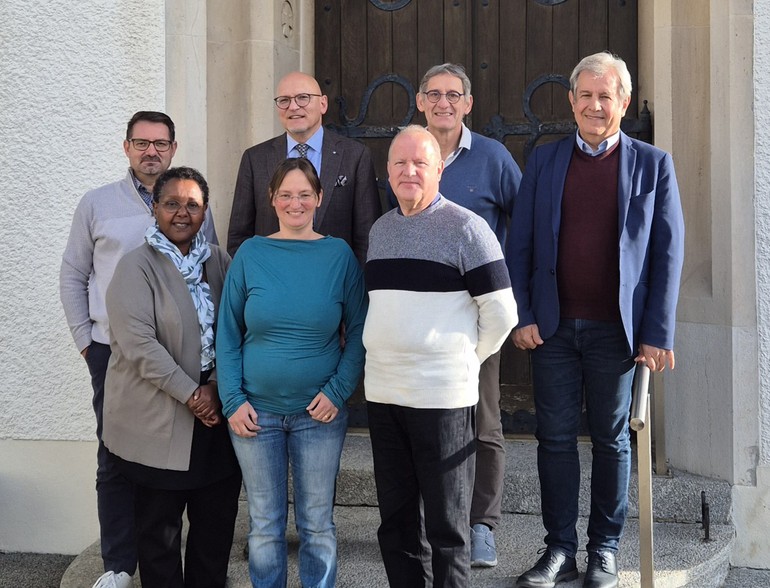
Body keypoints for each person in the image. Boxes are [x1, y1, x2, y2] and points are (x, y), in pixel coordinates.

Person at [508, 52, 685, 588]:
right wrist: (524, 313)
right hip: (554, 328)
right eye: (584, 95)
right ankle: (558, 549)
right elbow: (520, 244)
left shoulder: (653, 164)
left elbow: (667, 253)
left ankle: (604, 548)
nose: (593, 105)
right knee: (554, 439)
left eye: (604, 96)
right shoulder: (544, 160)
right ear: (570, 101)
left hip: (619, 332)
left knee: (611, 441)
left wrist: (657, 333)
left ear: (624, 103)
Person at [59, 111, 218, 588]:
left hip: (186, 360)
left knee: (169, 459)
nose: (152, 151)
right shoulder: (98, 204)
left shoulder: (188, 199)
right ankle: (119, 565)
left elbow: (207, 276)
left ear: (173, 147)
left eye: (161, 143)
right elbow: (73, 274)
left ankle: (160, 552)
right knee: (116, 457)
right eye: (142, 143)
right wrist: (88, 343)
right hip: (115, 352)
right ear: (126, 147)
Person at [364, 125, 518, 587]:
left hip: (443, 399)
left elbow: (502, 314)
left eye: (420, 163)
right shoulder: (381, 230)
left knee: (449, 529)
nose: (409, 171)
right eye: (399, 163)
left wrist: (464, 358)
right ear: (388, 172)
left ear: (438, 171)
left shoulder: (468, 228)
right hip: (385, 394)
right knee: (396, 524)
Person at [217, 158, 367, 588]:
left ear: (319, 199)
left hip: (318, 414)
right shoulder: (250, 254)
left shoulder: (338, 255)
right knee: (264, 525)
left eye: (304, 194)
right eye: (286, 194)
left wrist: (338, 391)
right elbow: (227, 333)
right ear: (272, 200)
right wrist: (232, 400)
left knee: (317, 523)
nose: (295, 203)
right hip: (254, 415)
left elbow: (358, 330)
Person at [102, 167, 240, 588]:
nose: (183, 213)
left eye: (193, 205)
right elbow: (139, 345)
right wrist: (192, 394)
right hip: (158, 420)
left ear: (205, 211)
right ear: (155, 208)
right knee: (159, 539)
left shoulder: (220, 260)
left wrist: (215, 387)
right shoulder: (134, 266)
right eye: (172, 203)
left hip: (215, 418)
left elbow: (238, 328)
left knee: (214, 533)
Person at [408, 62, 522, 567]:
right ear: (419, 101)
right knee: (418, 423)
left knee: (484, 420)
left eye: (453, 95)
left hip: (477, 318)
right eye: (434, 94)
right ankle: (429, 523)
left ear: (468, 103)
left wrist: (510, 296)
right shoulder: (407, 154)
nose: (444, 103)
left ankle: (481, 526)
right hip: (415, 319)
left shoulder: (494, 159)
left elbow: (524, 227)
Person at [226, 71, 382, 265]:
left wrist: (355, 288)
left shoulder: (355, 156)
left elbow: (367, 236)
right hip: (271, 282)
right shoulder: (255, 158)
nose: (293, 106)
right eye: (284, 100)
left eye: (303, 98)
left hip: (335, 282)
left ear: (323, 104)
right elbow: (238, 237)